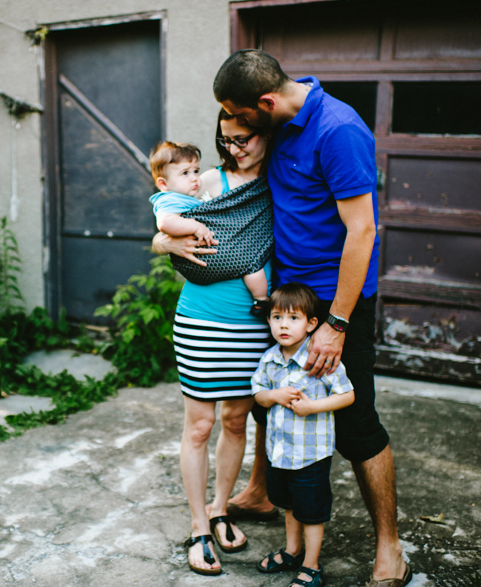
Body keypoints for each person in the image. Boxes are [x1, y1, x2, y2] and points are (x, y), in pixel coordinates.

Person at [212, 49, 411, 587]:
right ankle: (260, 491)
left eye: (241, 114)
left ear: (268, 101)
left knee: (355, 424)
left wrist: (337, 322)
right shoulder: (279, 122)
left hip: (335, 302)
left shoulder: (338, 129)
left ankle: (389, 547)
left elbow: (362, 232)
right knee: (269, 400)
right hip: (288, 298)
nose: (237, 127)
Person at [149, 112, 275, 575]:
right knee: (200, 426)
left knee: (237, 420)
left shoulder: (279, 183)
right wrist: (166, 244)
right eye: (228, 140)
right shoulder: (207, 181)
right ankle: (200, 525)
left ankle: (221, 508)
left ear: (265, 136)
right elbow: (167, 221)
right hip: (202, 322)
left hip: (253, 325)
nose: (236, 147)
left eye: (244, 139)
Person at [252, 283, 355, 587]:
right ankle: (293, 550)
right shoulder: (270, 358)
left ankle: (311, 564)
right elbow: (258, 394)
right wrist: (274, 395)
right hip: (280, 452)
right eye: (277, 317)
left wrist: (313, 407)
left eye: (293, 318)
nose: (284, 325)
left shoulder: (320, 358)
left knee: (311, 511)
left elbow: (347, 395)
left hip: (310, 455)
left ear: (312, 324)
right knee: (288, 504)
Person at [148, 140, 270, 314]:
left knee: (252, 267)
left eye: (196, 171)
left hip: (249, 319)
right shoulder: (173, 198)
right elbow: (164, 225)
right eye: (185, 173)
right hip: (202, 310)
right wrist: (185, 233)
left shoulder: (189, 193)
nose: (194, 178)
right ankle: (261, 300)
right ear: (163, 184)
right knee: (251, 266)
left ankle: (262, 300)